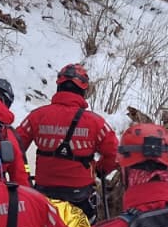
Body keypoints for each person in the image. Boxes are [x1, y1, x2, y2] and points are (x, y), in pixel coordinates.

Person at [19, 63, 119, 217]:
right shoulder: (96, 122)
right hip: (81, 196)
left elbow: (14, 147)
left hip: (44, 194)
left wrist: (24, 178)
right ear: (83, 91)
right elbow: (114, 154)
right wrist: (99, 170)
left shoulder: (36, 116)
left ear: (59, 87)